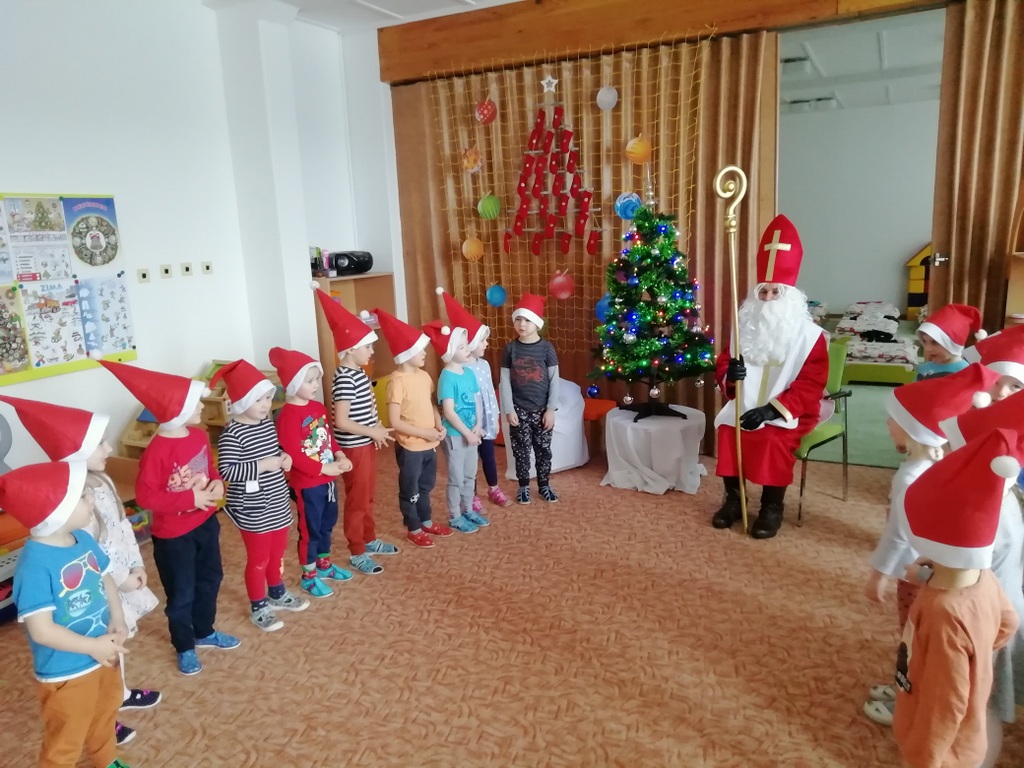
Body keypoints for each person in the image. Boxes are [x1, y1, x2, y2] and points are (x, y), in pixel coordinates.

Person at [0, 395, 161, 744]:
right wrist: (122, 579)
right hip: (95, 596)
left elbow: (121, 530)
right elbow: (88, 556)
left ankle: (116, 696)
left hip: (116, 586)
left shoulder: (102, 483)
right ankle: (106, 716)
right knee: (96, 653)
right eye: (99, 442)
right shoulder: (70, 505)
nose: (108, 447)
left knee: (116, 643)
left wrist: (135, 565)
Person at [861, 363, 1000, 726]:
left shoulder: (909, 476)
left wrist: (879, 574)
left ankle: (911, 701)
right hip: (942, 573)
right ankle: (907, 689)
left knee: (915, 641)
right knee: (924, 642)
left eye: (892, 419)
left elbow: (897, 534)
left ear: (911, 429)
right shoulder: (947, 463)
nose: (887, 424)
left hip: (916, 575)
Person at [100, 360, 240, 677]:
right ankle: (184, 645)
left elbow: (210, 468)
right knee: (182, 593)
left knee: (211, 579)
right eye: (195, 403)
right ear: (177, 410)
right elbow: (146, 497)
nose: (201, 407)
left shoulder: (198, 435)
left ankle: (204, 631)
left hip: (206, 524)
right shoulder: (157, 451)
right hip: (174, 538)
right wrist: (190, 499)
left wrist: (218, 483)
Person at [892, 427, 1020, 768]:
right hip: (967, 737)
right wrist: (976, 658)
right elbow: (1008, 624)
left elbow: (945, 705)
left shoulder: (942, 614)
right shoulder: (983, 577)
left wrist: (925, 759)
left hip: (942, 753)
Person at [4, 460, 132, 768]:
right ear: (56, 511)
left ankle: (106, 759)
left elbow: (105, 578)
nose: (91, 500)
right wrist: (92, 646)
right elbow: (42, 631)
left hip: (103, 655)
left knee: (105, 713)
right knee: (66, 737)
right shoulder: (34, 565)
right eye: (82, 496)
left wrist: (118, 617)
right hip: (66, 672)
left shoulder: (82, 539)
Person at [712, 214, 828, 539]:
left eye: (775, 292)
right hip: (745, 404)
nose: (766, 299)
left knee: (772, 439)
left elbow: (811, 384)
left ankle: (771, 507)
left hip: (788, 410)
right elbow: (724, 363)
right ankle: (733, 500)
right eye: (762, 292)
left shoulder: (810, 337)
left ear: (788, 296)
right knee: (727, 428)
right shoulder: (742, 327)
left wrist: (769, 411)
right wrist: (730, 375)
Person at [939, 395, 1024, 766]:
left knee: (980, 709)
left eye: (952, 450)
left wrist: (924, 572)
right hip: (995, 616)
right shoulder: (1001, 497)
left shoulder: (984, 514)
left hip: (987, 629)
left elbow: (964, 575)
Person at [214, 359, 310, 631]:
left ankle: (276, 593)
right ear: (242, 401)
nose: (266, 405)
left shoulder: (266, 424)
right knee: (259, 559)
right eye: (259, 400)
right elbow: (227, 470)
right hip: (252, 508)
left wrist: (283, 456)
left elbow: (274, 449)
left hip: (277, 500)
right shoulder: (232, 434)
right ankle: (258, 606)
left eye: (268, 398)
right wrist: (262, 465)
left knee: (277, 553)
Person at [314, 287, 398, 576]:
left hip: (365, 443)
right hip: (354, 447)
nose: (372, 352)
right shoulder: (344, 379)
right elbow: (341, 421)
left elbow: (366, 409)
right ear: (351, 349)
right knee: (358, 499)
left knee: (368, 495)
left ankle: (369, 538)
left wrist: (375, 428)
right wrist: (372, 432)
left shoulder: (359, 373)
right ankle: (357, 551)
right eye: (368, 347)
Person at [270, 347, 353, 599]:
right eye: (310, 380)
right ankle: (308, 576)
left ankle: (324, 565)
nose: (316, 384)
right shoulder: (286, 416)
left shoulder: (317, 408)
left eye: (317, 379)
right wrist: (323, 468)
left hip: (328, 480)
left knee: (327, 524)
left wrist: (339, 455)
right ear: (293, 384)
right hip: (307, 484)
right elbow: (294, 454)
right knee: (311, 530)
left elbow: (327, 438)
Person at [372, 307, 452, 548]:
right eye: (420, 350)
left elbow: (431, 404)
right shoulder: (396, 382)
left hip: (429, 444)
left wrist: (438, 424)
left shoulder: (424, 376)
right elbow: (395, 422)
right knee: (411, 489)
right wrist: (424, 433)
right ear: (406, 354)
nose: (425, 353)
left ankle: (426, 521)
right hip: (410, 448)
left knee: (426, 486)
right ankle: (413, 527)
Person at [436, 287, 512, 509]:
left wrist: (494, 418)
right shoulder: (458, 371)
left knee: (488, 454)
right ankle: (473, 495)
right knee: (470, 459)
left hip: (483, 420)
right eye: (482, 341)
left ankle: (494, 488)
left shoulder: (485, 365)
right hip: (465, 424)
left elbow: (488, 393)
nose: (486, 344)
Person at [424, 319, 486, 533]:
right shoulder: (447, 377)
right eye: (461, 347)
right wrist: (467, 433)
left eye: (466, 344)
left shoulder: (469, 373)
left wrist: (478, 425)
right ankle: (455, 515)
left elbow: (477, 401)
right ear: (450, 352)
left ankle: (468, 509)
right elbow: (449, 412)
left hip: (471, 434)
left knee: (470, 475)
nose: (467, 349)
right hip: (455, 435)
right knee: (456, 478)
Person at [499, 292, 560, 505]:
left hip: (542, 410)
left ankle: (544, 485)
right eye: (518, 319)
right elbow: (504, 381)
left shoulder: (547, 348)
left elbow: (554, 380)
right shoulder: (510, 349)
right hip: (519, 410)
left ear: (537, 323)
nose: (522, 324)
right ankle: (523, 486)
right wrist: (509, 409)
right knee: (521, 450)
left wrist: (551, 409)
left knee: (543, 450)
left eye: (527, 320)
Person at [914, 303, 983, 381]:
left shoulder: (966, 372)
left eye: (934, 342)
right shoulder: (923, 369)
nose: (927, 348)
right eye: (924, 341)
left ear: (952, 345)